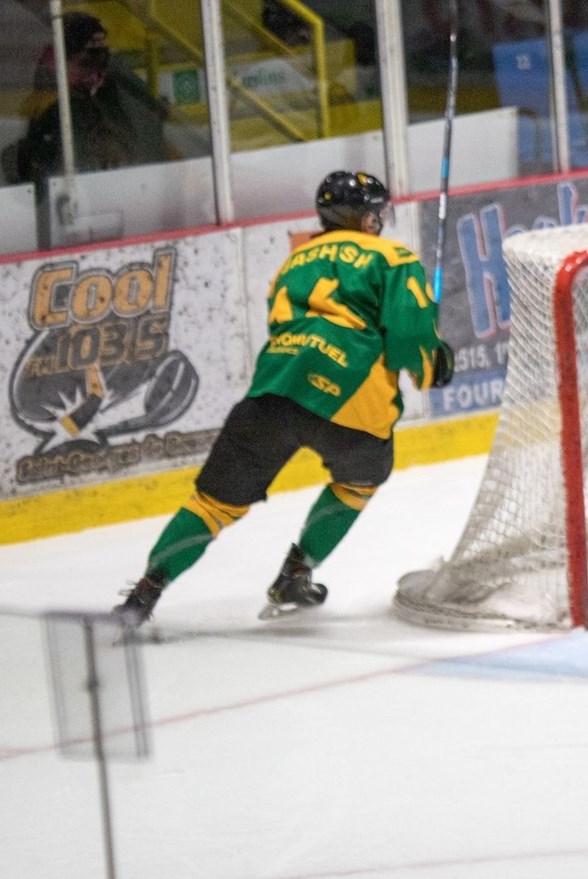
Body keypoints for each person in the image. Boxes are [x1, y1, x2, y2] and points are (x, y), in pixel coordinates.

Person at [113, 171, 454, 624]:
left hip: (275, 389)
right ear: (368, 218)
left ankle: (143, 594)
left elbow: (282, 325)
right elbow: (410, 339)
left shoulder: (294, 260)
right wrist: (435, 364)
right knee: (358, 481)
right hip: (352, 398)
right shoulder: (393, 256)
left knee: (213, 504)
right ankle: (296, 573)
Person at [15, 13, 175, 185]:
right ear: (69, 52)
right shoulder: (51, 99)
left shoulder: (110, 79)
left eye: (102, 43)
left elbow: (146, 118)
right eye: (92, 44)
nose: (100, 50)